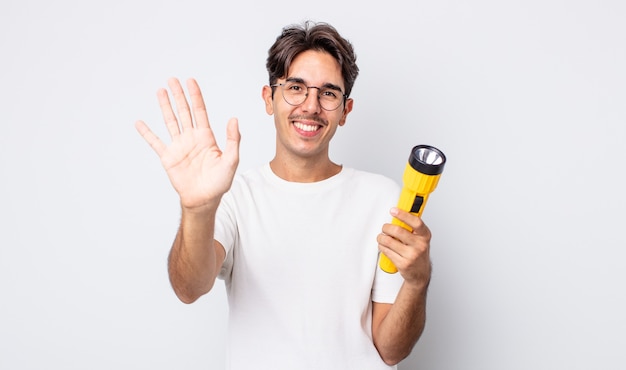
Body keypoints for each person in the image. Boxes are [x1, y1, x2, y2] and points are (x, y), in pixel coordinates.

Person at [135, 21, 432, 370]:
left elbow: (391, 350)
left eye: (328, 93)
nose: (310, 106)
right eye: (295, 87)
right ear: (269, 98)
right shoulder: (234, 196)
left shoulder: (383, 198)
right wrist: (197, 209)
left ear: (345, 111)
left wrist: (417, 281)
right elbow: (190, 287)